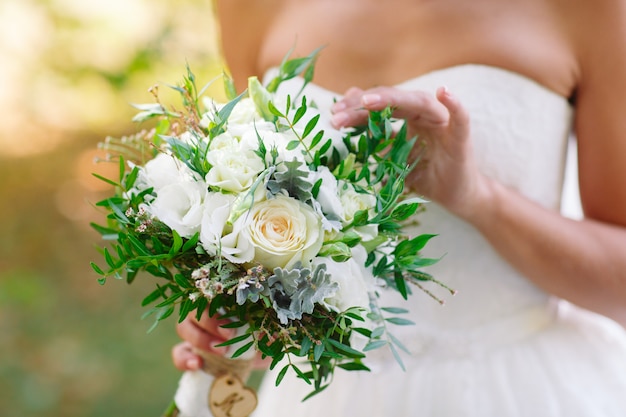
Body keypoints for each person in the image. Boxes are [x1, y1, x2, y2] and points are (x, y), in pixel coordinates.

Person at [172, 0, 626, 415]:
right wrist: (252, 319)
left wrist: (476, 197)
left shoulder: (590, 9)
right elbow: (256, 198)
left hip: (517, 390)